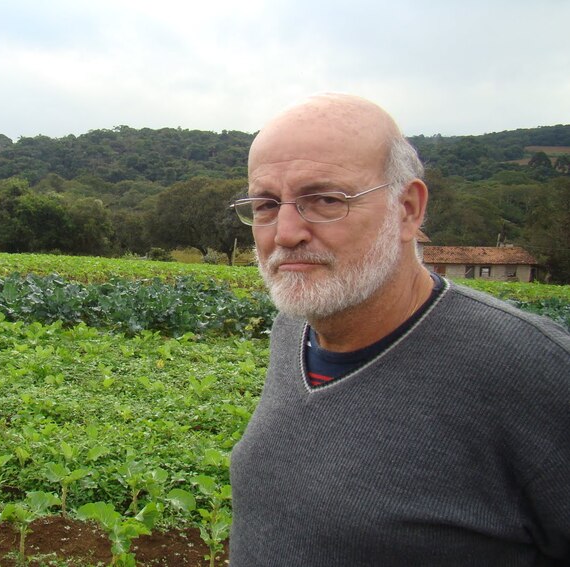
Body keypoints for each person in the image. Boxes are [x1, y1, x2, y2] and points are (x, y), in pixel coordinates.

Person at [228, 93, 570, 566]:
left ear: (407, 208)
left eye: (326, 200)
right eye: (266, 204)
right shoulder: (294, 329)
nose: (285, 233)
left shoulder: (537, 369)